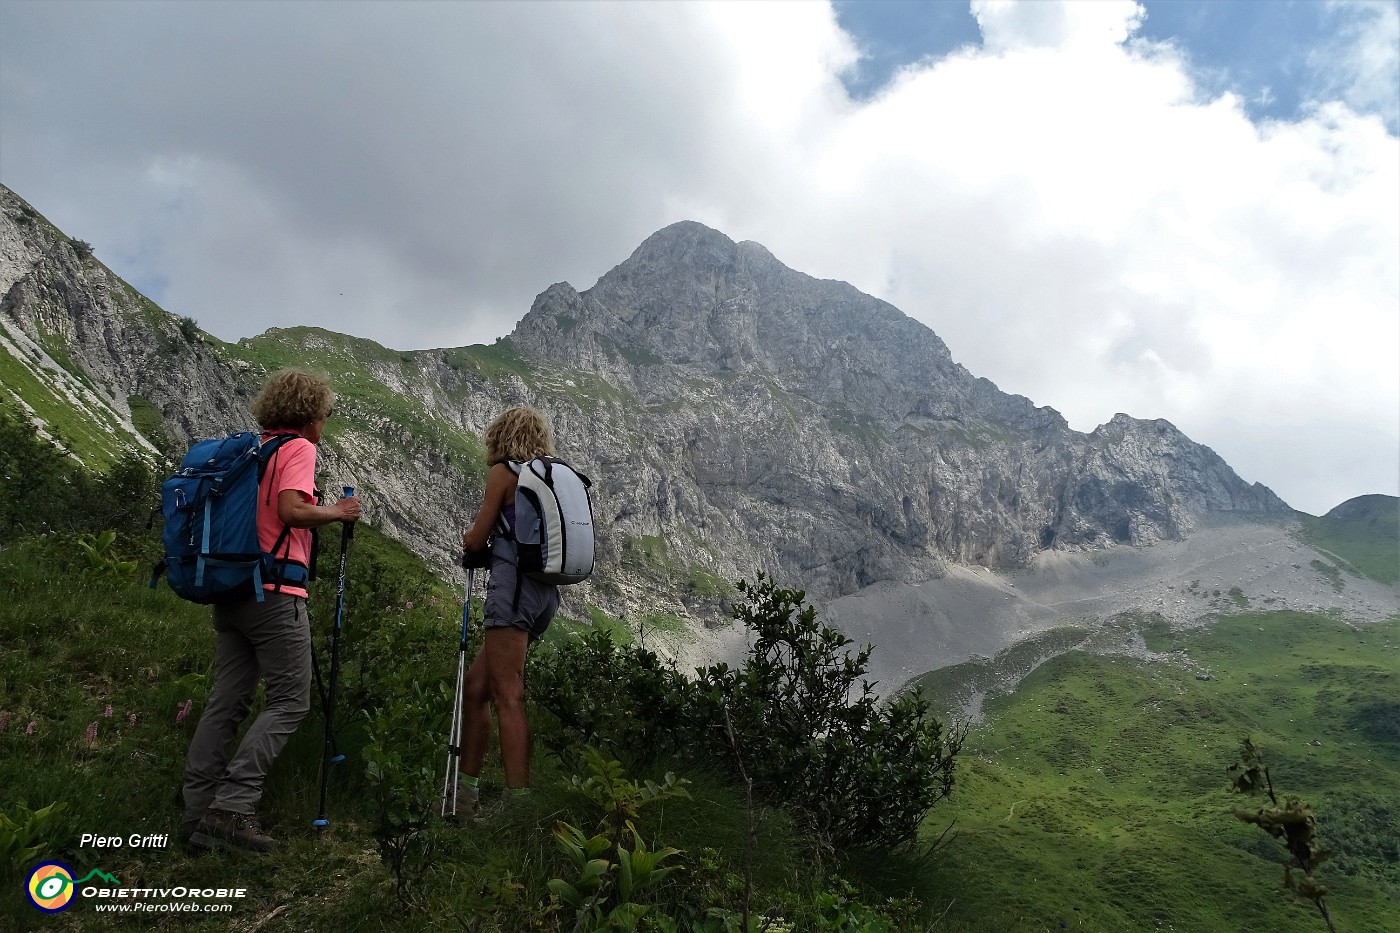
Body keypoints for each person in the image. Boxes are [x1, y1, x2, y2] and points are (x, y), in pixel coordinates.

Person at [182, 369, 360, 852]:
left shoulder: (252, 450)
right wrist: (338, 513)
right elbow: (291, 511)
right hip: (276, 592)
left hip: (231, 589)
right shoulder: (298, 448)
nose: (325, 423)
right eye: (325, 414)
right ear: (310, 413)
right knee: (289, 700)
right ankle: (232, 808)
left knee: (228, 700)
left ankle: (197, 806)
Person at [455, 406, 562, 815]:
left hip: (513, 592)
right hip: (545, 596)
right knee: (478, 688)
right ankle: (465, 797)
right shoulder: (550, 475)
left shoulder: (505, 472)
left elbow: (478, 537)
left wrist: (473, 540)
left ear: (500, 435)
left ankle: (518, 805)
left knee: (508, 695)